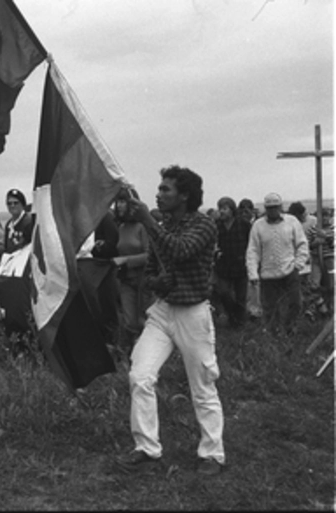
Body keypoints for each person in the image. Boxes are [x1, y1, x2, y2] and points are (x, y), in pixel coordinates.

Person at [116, 165, 225, 476]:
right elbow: (151, 270)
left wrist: (147, 221)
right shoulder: (163, 225)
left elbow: (179, 251)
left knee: (202, 384)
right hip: (164, 311)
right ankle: (147, 448)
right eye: (160, 188)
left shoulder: (203, 225)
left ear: (185, 196)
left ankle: (212, 453)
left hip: (193, 312)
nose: (159, 193)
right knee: (140, 376)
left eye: (166, 189)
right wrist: (156, 283)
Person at [246, 193, 309, 337]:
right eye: (269, 208)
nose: (273, 211)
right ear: (265, 208)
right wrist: (253, 273)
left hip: (290, 271)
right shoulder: (258, 225)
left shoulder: (292, 221)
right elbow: (252, 251)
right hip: (268, 274)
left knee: (295, 303)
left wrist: (298, 264)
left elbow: (302, 244)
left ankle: (289, 330)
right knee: (270, 307)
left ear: (281, 207)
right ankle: (272, 334)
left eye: (275, 207)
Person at [113, 188, 151, 352]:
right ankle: (132, 354)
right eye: (118, 201)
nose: (120, 205)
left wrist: (127, 260)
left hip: (143, 280)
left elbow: (150, 256)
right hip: (126, 280)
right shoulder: (121, 227)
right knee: (130, 321)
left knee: (145, 320)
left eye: (123, 201)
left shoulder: (142, 227)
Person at [213, 197, 251, 328]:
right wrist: (215, 252)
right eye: (220, 209)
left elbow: (251, 243)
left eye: (224, 208)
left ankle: (238, 323)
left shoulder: (244, 224)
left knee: (241, 297)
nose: (221, 212)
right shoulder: (216, 225)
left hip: (241, 264)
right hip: (223, 265)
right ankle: (233, 314)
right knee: (223, 293)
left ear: (232, 209)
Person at [288, 201, 319, 319]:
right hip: (295, 260)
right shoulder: (290, 225)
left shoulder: (311, 221)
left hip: (306, 259)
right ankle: (308, 308)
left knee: (306, 285)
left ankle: (311, 308)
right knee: (300, 286)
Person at [3, 188, 34, 252]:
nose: (12, 206)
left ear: (22, 204)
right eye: (9, 203)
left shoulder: (29, 221)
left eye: (15, 203)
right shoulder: (8, 224)